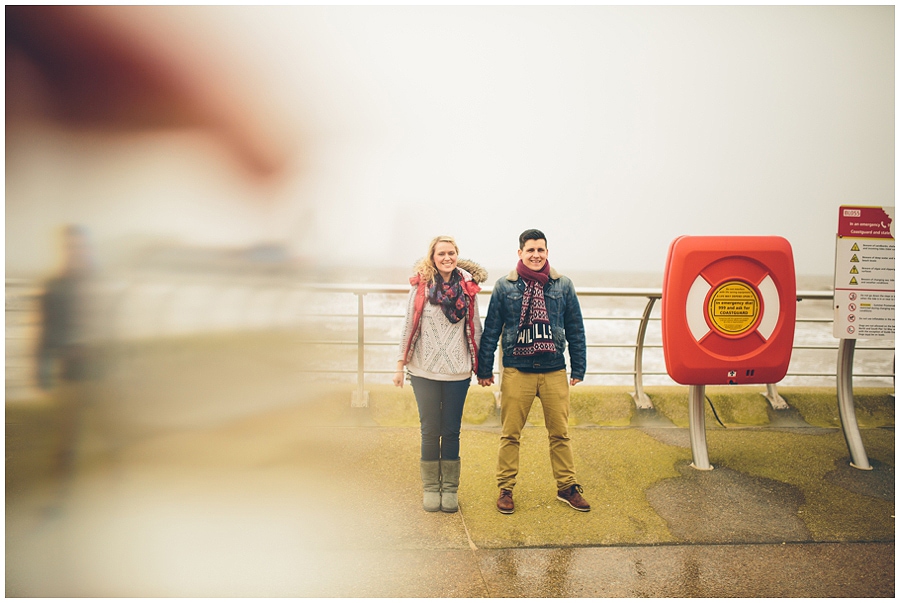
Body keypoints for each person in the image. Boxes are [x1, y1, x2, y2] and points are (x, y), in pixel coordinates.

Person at [477, 228, 590, 514]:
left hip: (554, 369)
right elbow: (491, 330)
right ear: (520, 253)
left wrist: (579, 366)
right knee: (510, 434)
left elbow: (575, 327)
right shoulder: (505, 286)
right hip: (517, 370)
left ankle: (567, 487)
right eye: (530, 250)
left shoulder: (563, 285)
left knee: (560, 434)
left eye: (541, 250)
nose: (536, 255)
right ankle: (506, 489)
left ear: (547, 253)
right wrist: (484, 368)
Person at [394, 236, 486, 513]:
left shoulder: (468, 289)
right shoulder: (421, 287)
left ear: (457, 255)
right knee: (430, 431)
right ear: (432, 257)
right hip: (423, 371)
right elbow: (408, 326)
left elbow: (476, 328)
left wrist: (482, 369)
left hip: (458, 373)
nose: (447, 257)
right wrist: (399, 366)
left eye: (451, 253)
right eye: (441, 253)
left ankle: (450, 489)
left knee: (451, 430)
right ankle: (431, 488)